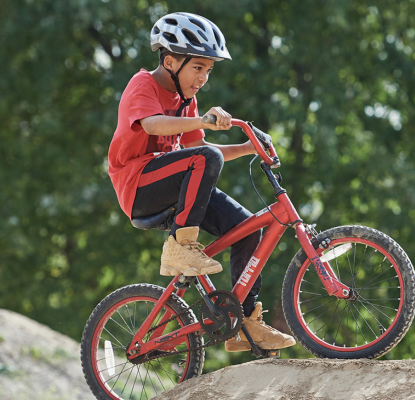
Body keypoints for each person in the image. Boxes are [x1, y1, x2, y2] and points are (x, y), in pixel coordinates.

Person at [107, 12, 294, 352]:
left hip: (177, 189)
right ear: (170, 61)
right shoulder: (143, 85)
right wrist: (205, 121)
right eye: (198, 68)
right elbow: (151, 125)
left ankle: (245, 323)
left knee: (248, 228)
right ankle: (181, 246)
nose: (203, 79)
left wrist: (247, 147)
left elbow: (198, 148)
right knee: (206, 160)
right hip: (138, 187)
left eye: (209, 70)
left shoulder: (186, 100)